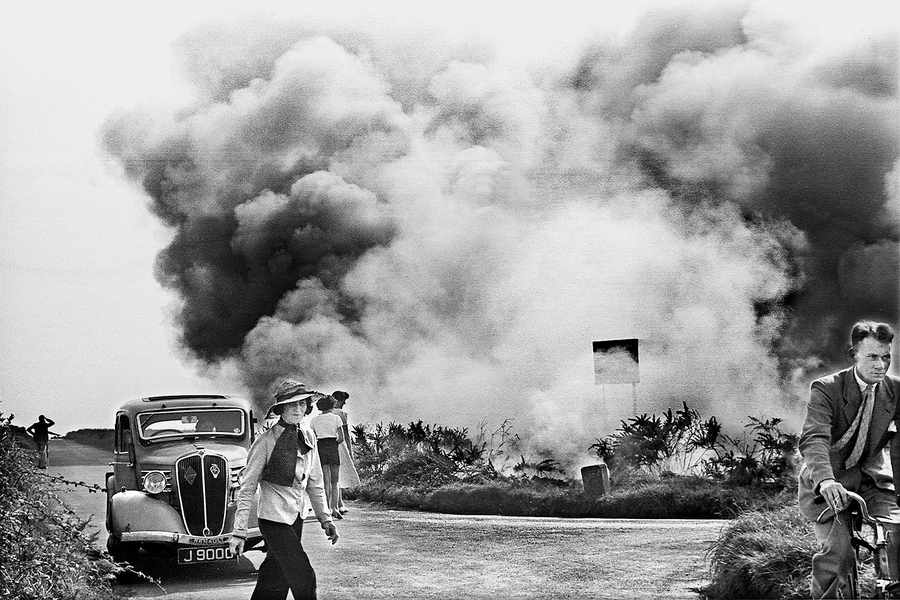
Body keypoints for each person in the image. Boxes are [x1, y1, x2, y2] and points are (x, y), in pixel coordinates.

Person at [798, 320, 900, 599]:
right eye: (872, 357)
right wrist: (827, 481)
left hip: (872, 481)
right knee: (839, 554)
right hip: (829, 483)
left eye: (886, 357)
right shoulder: (826, 389)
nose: (881, 364)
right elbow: (814, 438)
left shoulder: (895, 390)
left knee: (896, 539)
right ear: (853, 354)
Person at [229, 379, 339, 600]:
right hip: (273, 520)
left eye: (302, 404)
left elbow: (315, 482)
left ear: (308, 407)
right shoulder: (265, 442)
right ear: (281, 409)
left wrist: (326, 519)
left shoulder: (308, 437)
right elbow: (247, 488)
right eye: (291, 405)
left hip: (296, 517)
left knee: (275, 578)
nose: (298, 409)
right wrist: (239, 532)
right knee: (303, 575)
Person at [310, 395, 344, 519]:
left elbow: (313, 438)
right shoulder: (336, 418)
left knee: (325, 480)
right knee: (335, 481)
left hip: (321, 447)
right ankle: (335, 508)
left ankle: (327, 509)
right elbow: (341, 438)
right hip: (332, 447)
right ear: (332, 405)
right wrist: (334, 443)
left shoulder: (314, 420)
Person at [331, 390, 360, 514]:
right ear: (337, 400)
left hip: (326, 446)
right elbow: (346, 435)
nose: (344, 403)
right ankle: (338, 504)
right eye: (343, 401)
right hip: (340, 446)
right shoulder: (342, 414)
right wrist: (350, 451)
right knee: (338, 475)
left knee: (331, 476)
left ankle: (336, 503)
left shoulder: (324, 413)